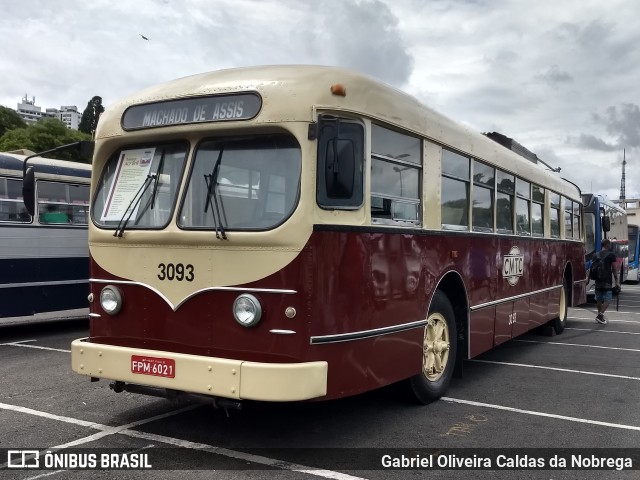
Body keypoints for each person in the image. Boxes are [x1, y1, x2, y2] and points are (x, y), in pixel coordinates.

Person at [593, 238, 620, 325]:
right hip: (607, 280)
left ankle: (599, 315)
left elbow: (592, 268)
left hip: (597, 280)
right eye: (610, 244)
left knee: (599, 298)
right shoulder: (611, 255)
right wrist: (616, 281)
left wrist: (588, 279)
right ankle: (600, 315)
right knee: (608, 298)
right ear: (607, 245)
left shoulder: (595, 255)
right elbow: (614, 268)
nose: (610, 246)